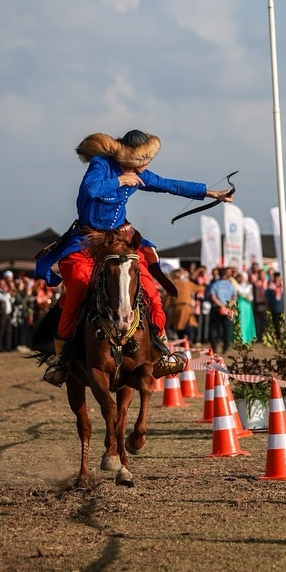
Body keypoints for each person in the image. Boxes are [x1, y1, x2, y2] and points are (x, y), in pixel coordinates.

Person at [34, 130, 233, 386]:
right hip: (85, 242)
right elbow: (90, 189)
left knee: (150, 290)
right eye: (143, 161)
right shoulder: (101, 165)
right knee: (78, 290)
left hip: (120, 240)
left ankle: (162, 351)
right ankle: (62, 362)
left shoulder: (138, 173)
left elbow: (170, 185)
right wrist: (120, 181)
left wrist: (212, 193)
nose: (147, 167)